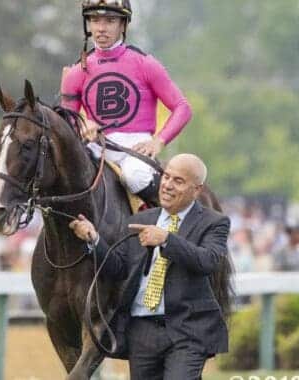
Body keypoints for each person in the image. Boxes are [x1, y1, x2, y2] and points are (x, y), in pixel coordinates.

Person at [69, 153, 230, 380]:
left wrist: (166, 239)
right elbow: (118, 268)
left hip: (188, 330)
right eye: (166, 177)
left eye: (178, 181)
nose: (167, 185)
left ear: (197, 190)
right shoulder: (142, 219)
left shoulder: (214, 222)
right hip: (142, 330)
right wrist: (94, 240)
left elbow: (208, 261)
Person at [60, 0, 192, 205]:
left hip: (136, 147)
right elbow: (67, 122)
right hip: (95, 147)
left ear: (123, 25)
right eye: (95, 20)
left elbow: (182, 108)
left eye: (110, 21)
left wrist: (158, 141)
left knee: (134, 176)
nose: (101, 28)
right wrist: (83, 124)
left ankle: (170, 223)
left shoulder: (146, 64)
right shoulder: (75, 72)